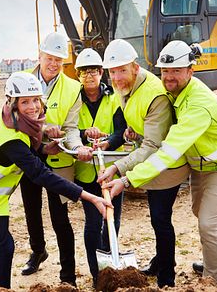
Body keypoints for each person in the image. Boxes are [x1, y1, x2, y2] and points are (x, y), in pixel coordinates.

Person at [102, 40, 217, 286]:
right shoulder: (175, 91)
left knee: (209, 222)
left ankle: (213, 281)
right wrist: (138, 133)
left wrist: (128, 179)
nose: (169, 77)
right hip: (202, 165)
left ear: (190, 72)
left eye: (176, 71)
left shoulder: (198, 105)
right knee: (203, 215)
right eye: (165, 71)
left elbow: (166, 152)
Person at [0, 72, 110, 289]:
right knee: (5, 245)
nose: (33, 107)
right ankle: (3, 289)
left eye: (36, 100)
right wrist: (88, 196)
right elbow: (41, 174)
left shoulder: (9, 117)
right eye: (25, 102)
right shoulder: (11, 138)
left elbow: (23, 149)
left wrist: (43, 148)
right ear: (13, 103)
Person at [97, 39, 190, 288]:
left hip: (167, 165)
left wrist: (118, 167)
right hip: (151, 160)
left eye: (122, 70)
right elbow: (145, 132)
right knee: (157, 217)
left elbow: (154, 146)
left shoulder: (155, 94)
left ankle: (166, 277)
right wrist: (134, 132)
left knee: (160, 218)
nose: (116, 77)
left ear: (135, 68)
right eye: (112, 72)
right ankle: (160, 262)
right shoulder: (123, 86)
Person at [19, 32, 93, 287]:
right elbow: (15, 121)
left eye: (59, 60)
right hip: (30, 157)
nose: (53, 64)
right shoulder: (21, 81)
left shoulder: (73, 88)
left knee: (60, 218)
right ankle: (37, 251)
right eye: (49, 58)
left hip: (59, 161)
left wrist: (77, 146)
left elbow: (71, 127)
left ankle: (68, 275)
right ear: (39, 56)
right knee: (31, 210)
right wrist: (43, 130)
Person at [72, 48, 127, 286]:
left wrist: (108, 142)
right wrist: (86, 135)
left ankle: (109, 268)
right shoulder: (74, 100)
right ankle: (97, 273)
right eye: (84, 72)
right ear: (78, 76)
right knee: (93, 222)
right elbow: (70, 129)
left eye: (93, 71)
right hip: (86, 173)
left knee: (112, 220)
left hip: (111, 171)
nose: (89, 76)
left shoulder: (114, 97)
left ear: (101, 72)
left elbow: (120, 131)